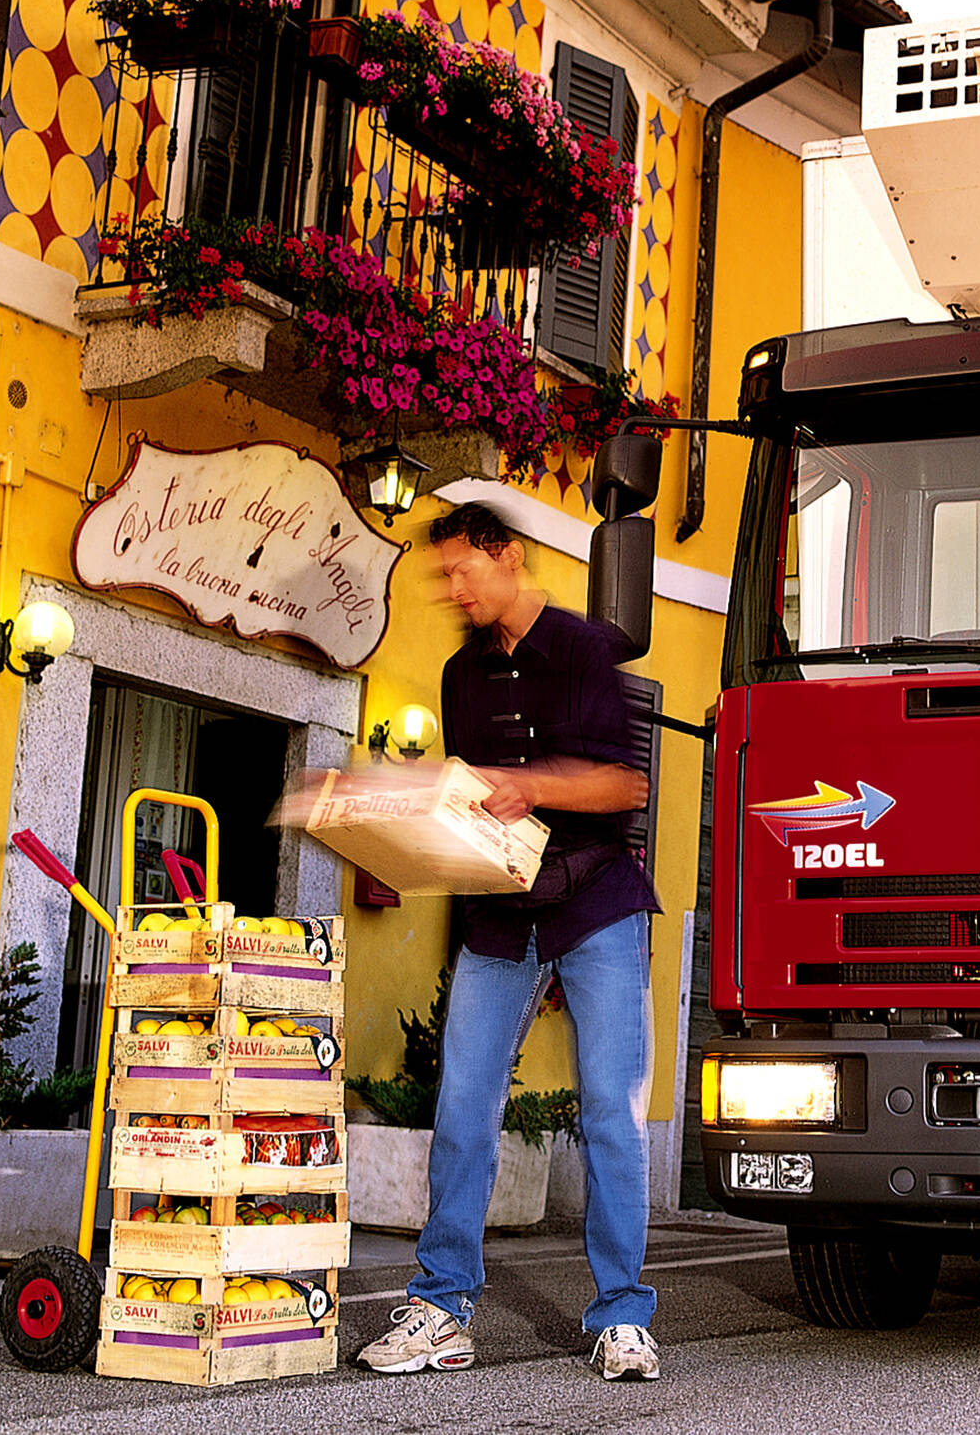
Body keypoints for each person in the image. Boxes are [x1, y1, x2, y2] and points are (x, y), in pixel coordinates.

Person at [359, 501, 664, 1382]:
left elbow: (624, 786)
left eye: (464, 570)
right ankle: (442, 1309)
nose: (453, 590)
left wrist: (528, 785)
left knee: (609, 1111)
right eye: (445, 575)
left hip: (596, 900)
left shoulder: (583, 650)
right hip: (499, 906)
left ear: (510, 558)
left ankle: (622, 1317)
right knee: (462, 1106)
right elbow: (473, 797)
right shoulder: (460, 675)